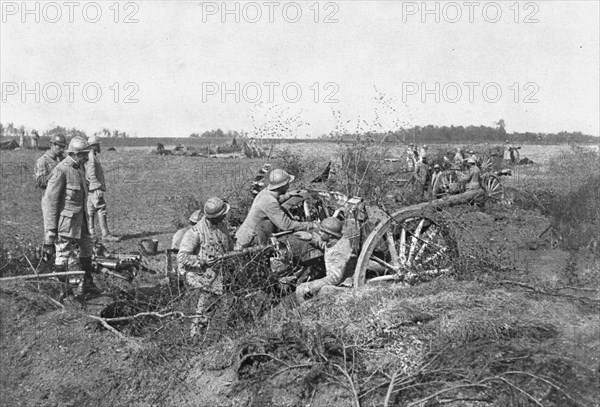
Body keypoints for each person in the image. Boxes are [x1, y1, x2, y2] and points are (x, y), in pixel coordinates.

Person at [44, 137, 101, 296]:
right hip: (66, 223)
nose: (86, 157)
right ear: (75, 154)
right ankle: (64, 291)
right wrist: (50, 232)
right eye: (83, 154)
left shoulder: (79, 168)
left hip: (81, 219)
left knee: (87, 248)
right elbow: (50, 202)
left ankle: (87, 283)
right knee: (62, 255)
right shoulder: (61, 170)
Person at [177, 198, 234, 336]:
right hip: (203, 278)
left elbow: (228, 243)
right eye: (222, 214)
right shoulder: (195, 233)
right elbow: (182, 257)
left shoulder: (222, 225)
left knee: (221, 308)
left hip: (221, 275)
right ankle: (195, 339)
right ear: (215, 216)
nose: (225, 215)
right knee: (202, 313)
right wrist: (202, 261)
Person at [235, 169, 317, 249]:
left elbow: (277, 199)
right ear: (282, 186)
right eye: (287, 184)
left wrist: (290, 194)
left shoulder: (266, 192)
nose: (289, 186)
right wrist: (310, 225)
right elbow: (286, 225)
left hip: (246, 235)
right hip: (249, 241)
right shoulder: (269, 202)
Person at [295, 217, 353, 304]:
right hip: (338, 279)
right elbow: (326, 247)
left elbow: (334, 279)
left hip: (345, 284)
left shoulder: (338, 252)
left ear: (330, 235)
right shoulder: (335, 241)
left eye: (322, 231)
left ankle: (305, 308)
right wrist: (311, 237)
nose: (319, 232)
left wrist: (311, 286)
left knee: (322, 290)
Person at [35, 134, 67, 260]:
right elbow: (41, 182)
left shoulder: (63, 159)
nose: (62, 150)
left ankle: (60, 257)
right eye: (60, 147)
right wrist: (55, 175)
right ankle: (47, 258)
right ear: (53, 145)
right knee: (50, 230)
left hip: (63, 199)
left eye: (64, 147)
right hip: (49, 199)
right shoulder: (42, 161)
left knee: (62, 229)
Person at [85, 134, 120, 243]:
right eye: (98, 144)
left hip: (90, 189)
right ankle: (105, 234)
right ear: (93, 145)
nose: (99, 146)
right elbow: (91, 174)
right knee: (101, 209)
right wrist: (97, 188)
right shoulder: (91, 157)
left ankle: (91, 234)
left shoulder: (90, 156)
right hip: (94, 189)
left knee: (90, 211)